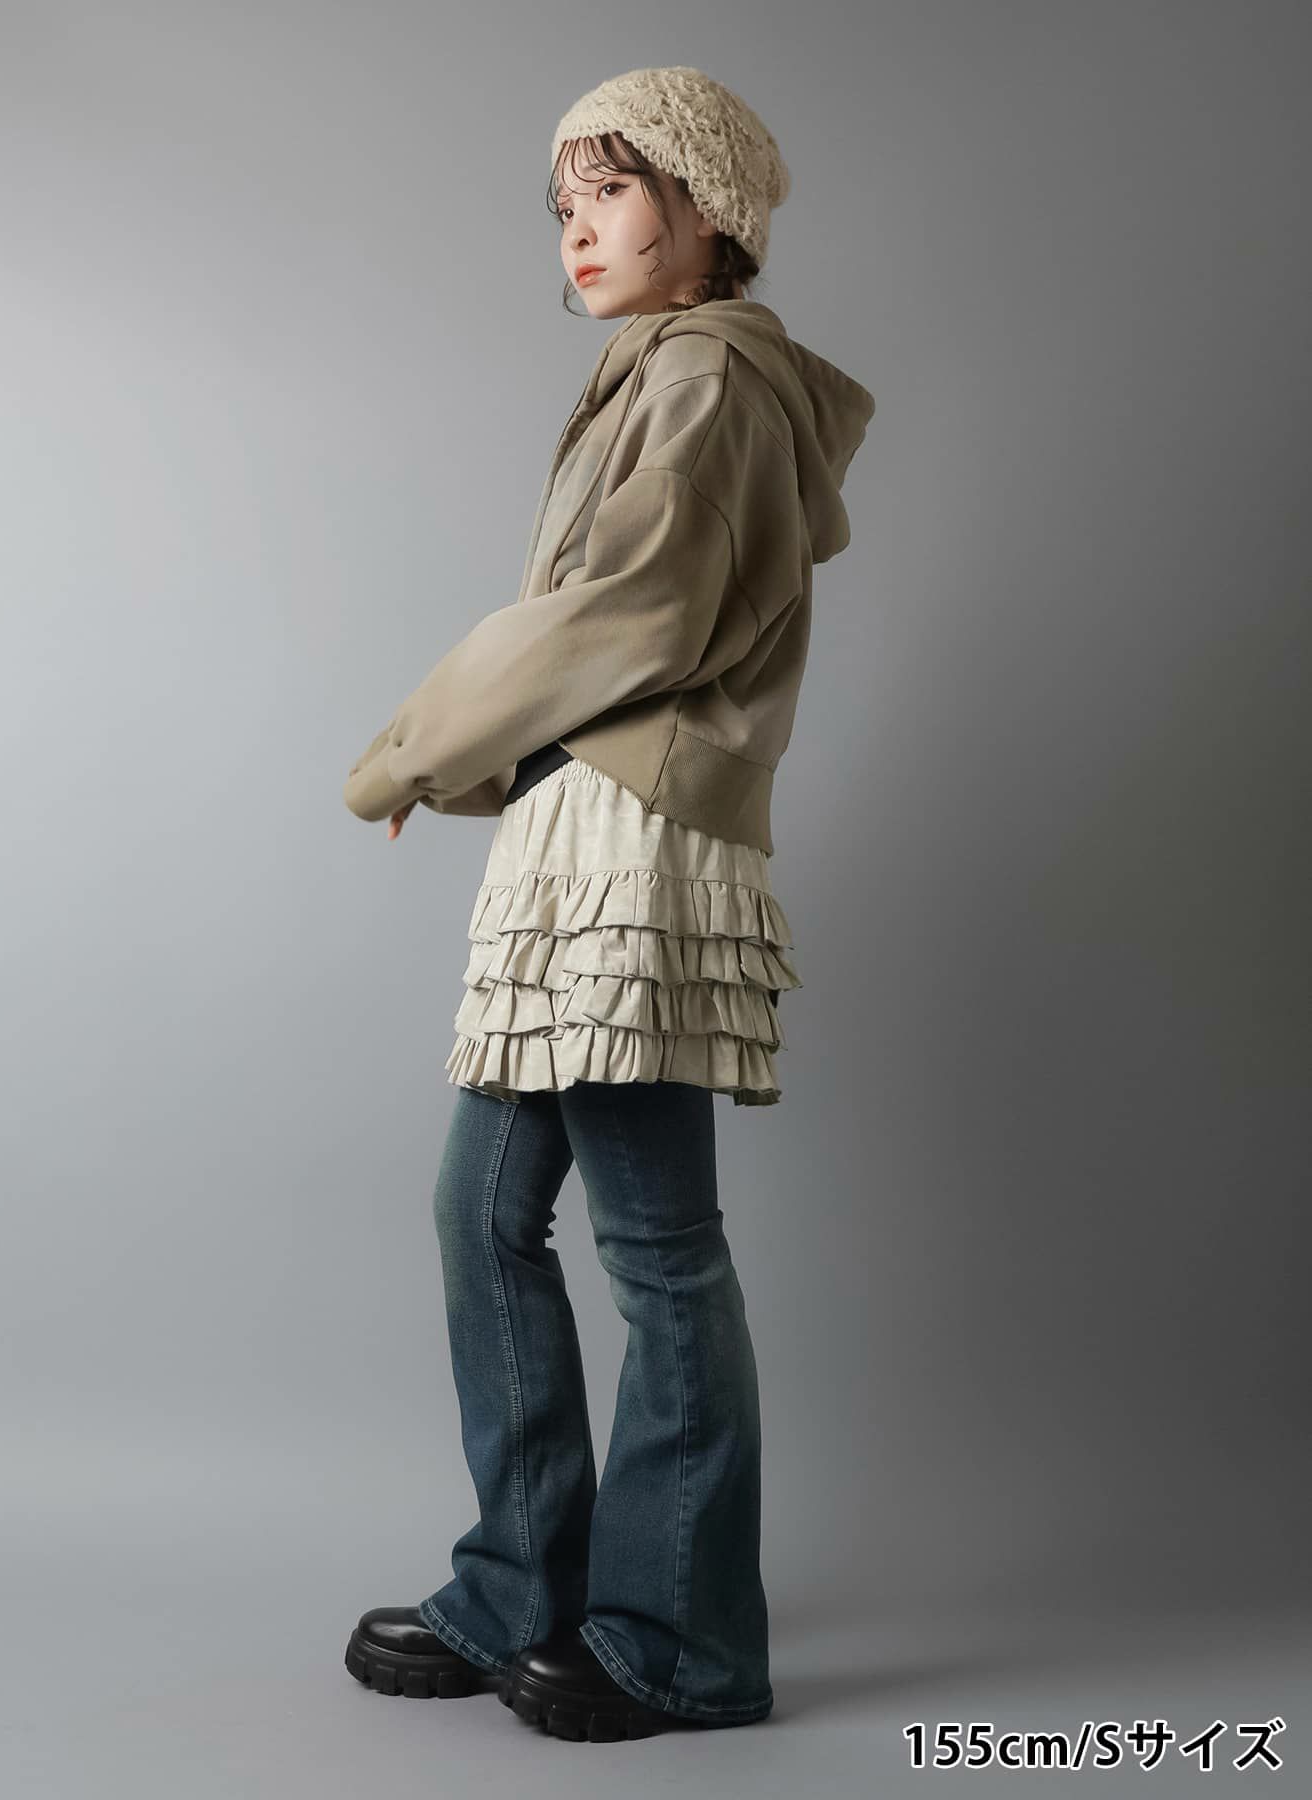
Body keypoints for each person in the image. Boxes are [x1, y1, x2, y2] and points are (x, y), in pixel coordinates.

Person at [342, 66, 875, 1743]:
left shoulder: (710, 378)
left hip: (634, 848)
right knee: (482, 1218)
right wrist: (476, 763)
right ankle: (525, 1586)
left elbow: (627, 614)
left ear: (710, 213)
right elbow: (602, 630)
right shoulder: (651, 371)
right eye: (563, 202)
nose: (578, 228)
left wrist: (416, 746)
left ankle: (687, 1639)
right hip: (581, 837)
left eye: (615, 191)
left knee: (656, 1248)